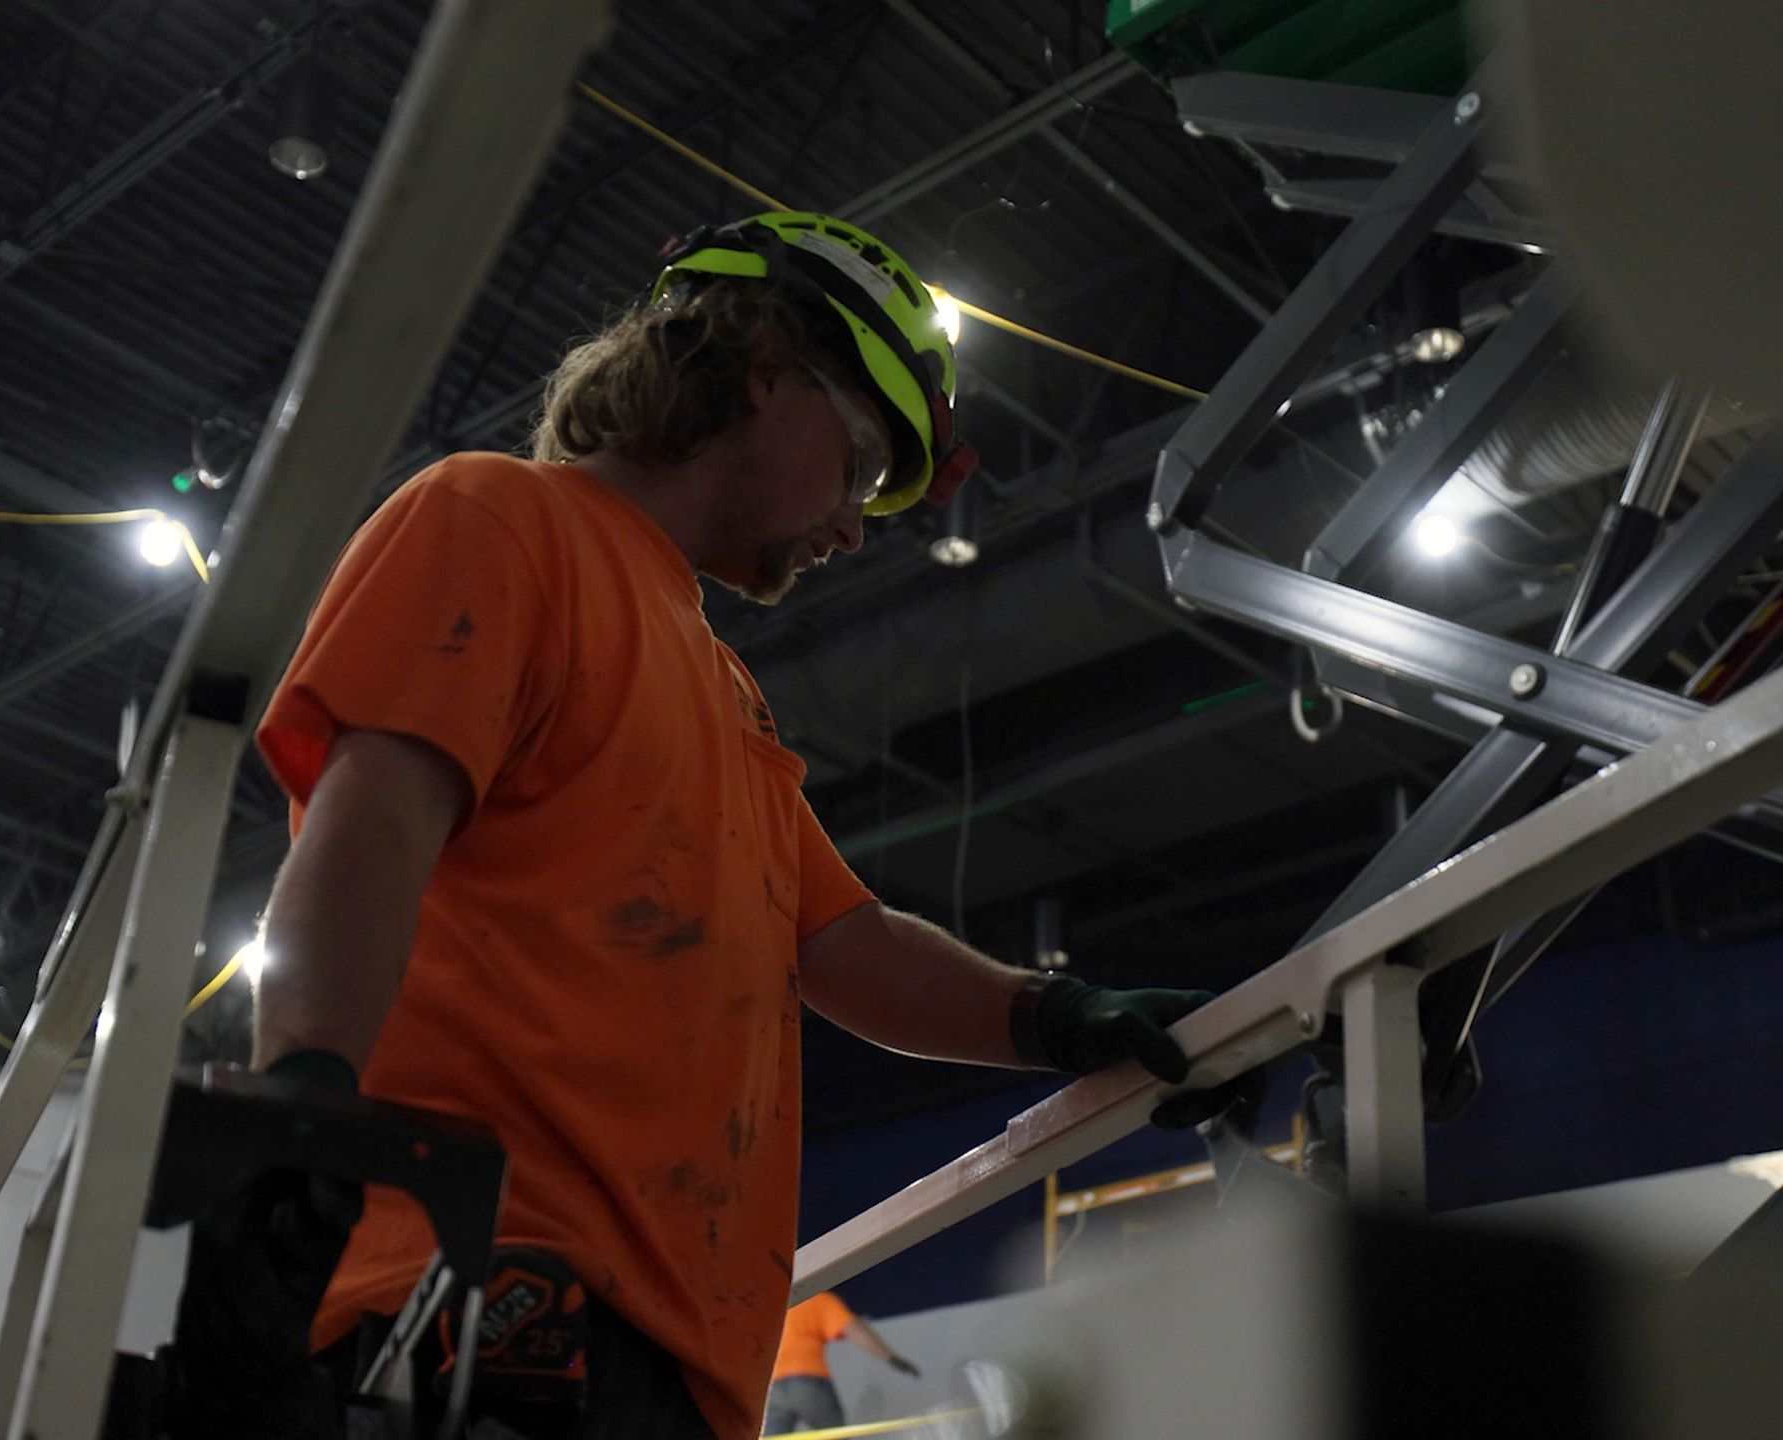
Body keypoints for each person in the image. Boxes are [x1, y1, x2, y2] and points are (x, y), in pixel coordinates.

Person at [174, 211, 1233, 1440]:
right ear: (768, 369)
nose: (851, 524)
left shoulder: (725, 692)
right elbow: (372, 823)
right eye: (855, 462)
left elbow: (846, 946)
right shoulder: (498, 518)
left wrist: (1060, 1016)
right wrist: (304, 1102)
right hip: (481, 1291)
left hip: (674, 1368)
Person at [762, 1291, 918, 1436]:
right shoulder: (818, 1300)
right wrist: (890, 1357)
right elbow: (856, 1331)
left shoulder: (767, 1304)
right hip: (808, 1383)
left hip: (771, 1391)